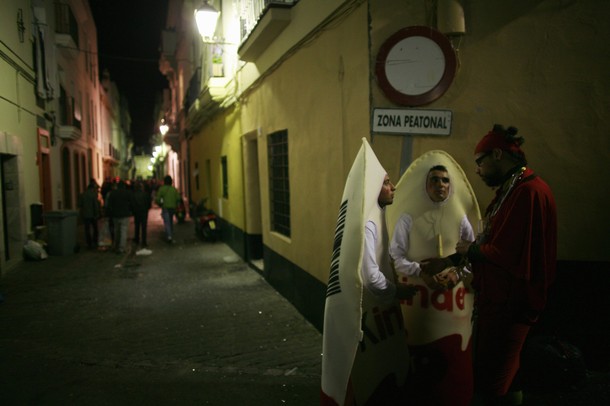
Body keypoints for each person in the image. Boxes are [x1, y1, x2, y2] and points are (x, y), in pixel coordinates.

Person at [425, 125, 557, 405]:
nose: (478, 170)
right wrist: (451, 261)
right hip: (498, 301)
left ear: (497, 154)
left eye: (480, 162)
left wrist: (469, 249)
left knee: (493, 382)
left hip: (510, 304)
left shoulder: (528, 191)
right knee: (507, 377)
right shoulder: (512, 189)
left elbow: (509, 253)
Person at [321, 139, 412, 406]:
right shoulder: (370, 223)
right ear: (374, 188)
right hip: (370, 313)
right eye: (386, 182)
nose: (392, 186)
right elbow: (371, 276)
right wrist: (396, 292)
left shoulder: (374, 216)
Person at [388, 157, 478, 406]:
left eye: (445, 181)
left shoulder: (460, 217)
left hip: (452, 308)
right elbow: (396, 257)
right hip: (417, 306)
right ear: (426, 186)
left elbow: (472, 253)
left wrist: (456, 274)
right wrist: (421, 272)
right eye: (434, 180)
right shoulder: (408, 218)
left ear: (451, 187)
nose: (440, 185)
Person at [105, 180, 134, 253]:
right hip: (125, 214)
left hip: (115, 214)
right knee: (123, 231)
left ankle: (116, 245)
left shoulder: (113, 193)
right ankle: (122, 248)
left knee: (116, 231)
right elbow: (131, 203)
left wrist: (109, 213)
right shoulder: (128, 193)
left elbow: (109, 205)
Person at [155, 175, 181, 243]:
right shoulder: (174, 189)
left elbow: (157, 199)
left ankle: (169, 236)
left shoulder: (161, 189)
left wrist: (160, 204)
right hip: (173, 208)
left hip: (165, 207)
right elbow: (178, 198)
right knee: (171, 221)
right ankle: (170, 234)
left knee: (167, 222)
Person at [78, 180, 101, 249]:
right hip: (93, 214)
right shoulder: (93, 194)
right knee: (95, 229)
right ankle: (95, 241)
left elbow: (79, 205)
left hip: (86, 214)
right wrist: (97, 213)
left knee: (87, 229)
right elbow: (95, 205)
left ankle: (89, 243)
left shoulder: (83, 194)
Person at [132, 181, 152, 247]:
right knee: (144, 227)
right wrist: (147, 208)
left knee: (137, 226)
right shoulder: (146, 194)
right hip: (144, 212)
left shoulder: (134, 195)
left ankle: (136, 239)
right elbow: (149, 204)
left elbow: (132, 204)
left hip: (136, 212)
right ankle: (144, 241)